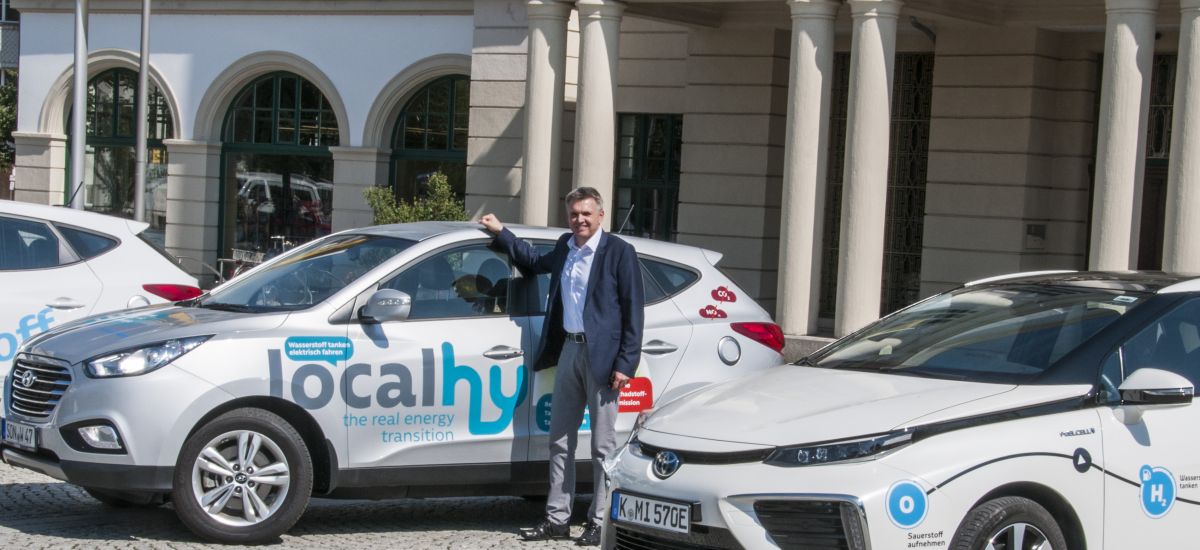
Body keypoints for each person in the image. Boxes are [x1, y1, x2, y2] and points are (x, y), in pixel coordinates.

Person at [478, 187, 644, 546]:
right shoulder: (565, 247)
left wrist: (626, 363)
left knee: (602, 447)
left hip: (604, 359)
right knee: (560, 442)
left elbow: (633, 311)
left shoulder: (619, 252)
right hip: (569, 350)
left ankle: (600, 521)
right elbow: (533, 262)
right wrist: (501, 232)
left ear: (601, 215)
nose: (580, 220)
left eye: (586, 214)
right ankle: (557, 519)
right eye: (574, 214)